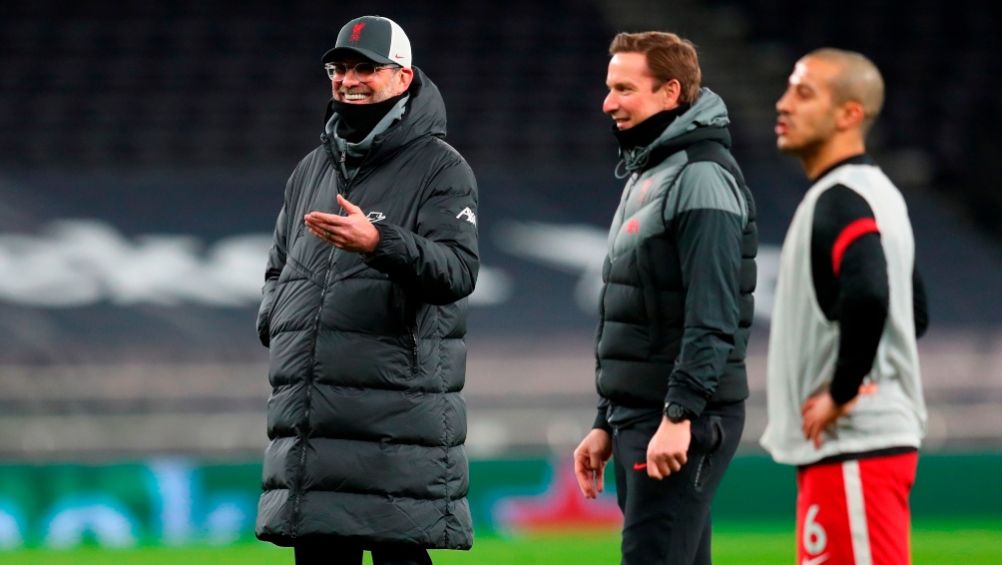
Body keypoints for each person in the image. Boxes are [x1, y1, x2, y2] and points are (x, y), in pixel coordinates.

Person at [254, 15, 478, 565]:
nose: (349, 80)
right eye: (340, 68)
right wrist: (276, 320)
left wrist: (380, 241)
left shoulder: (441, 167)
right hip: (313, 419)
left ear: (403, 77)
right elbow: (279, 266)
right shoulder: (312, 168)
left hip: (391, 421)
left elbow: (457, 271)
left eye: (366, 69)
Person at [573, 31, 757, 565]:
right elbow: (635, 313)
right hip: (643, 413)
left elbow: (713, 313)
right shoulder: (652, 171)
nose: (608, 103)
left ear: (670, 91)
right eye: (609, 87)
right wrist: (606, 420)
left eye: (624, 89)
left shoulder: (700, 176)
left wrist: (680, 415)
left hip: (678, 417)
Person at [760, 48, 929, 565]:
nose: (783, 103)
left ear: (849, 114)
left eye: (804, 93)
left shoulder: (839, 199)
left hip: (854, 447)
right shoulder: (879, 194)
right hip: (855, 448)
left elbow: (872, 295)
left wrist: (843, 390)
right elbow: (914, 312)